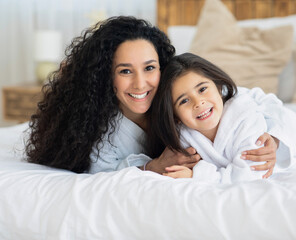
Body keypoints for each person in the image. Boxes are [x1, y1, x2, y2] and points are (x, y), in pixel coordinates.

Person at [25, 16, 279, 175]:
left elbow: (253, 100)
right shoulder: (100, 128)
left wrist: (273, 141)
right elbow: (101, 173)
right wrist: (152, 167)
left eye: (149, 68)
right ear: (106, 76)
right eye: (125, 71)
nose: (140, 84)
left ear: (162, 67)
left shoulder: (185, 93)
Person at [149, 53, 296, 183]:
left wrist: (196, 175)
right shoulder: (185, 136)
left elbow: (250, 173)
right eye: (184, 100)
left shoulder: (244, 119)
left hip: (292, 125)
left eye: (202, 89)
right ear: (176, 116)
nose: (198, 102)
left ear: (219, 88)